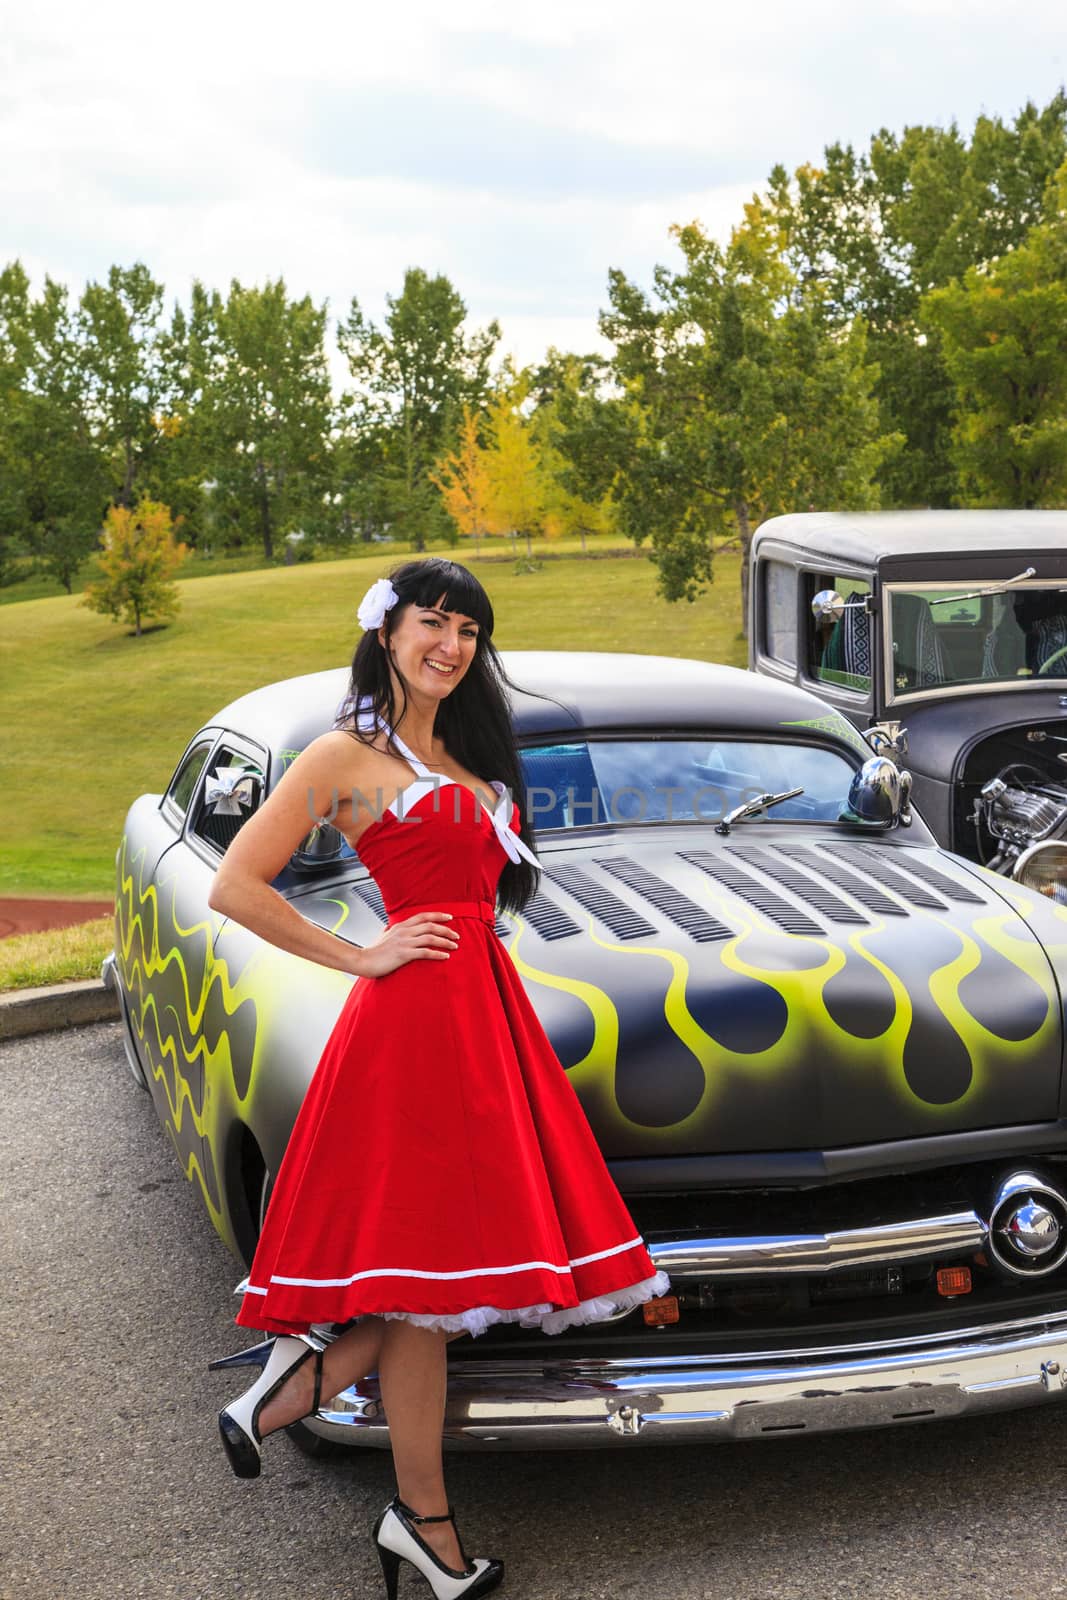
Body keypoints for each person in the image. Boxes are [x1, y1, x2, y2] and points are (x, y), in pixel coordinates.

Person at [206, 558, 670, 1600]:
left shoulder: (477, 758)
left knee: (436, 1288)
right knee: (426, 1276)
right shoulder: (341, 754)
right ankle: (314, 1396)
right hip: (411, 1024)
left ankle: (416, 1517)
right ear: (388, 631)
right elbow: (236, 881)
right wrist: (360, 954)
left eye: (468, 629)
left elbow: (483, 898)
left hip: (481, 1016)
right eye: (432, 621)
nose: (450, 644)